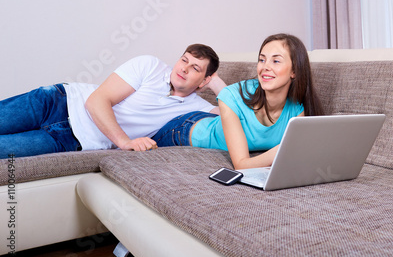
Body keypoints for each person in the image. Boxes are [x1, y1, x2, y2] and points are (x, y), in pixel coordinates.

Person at [0, 44, 226, 159]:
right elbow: (97, 101)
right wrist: (124, 142)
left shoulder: (198, 108)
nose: (184, 68)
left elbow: (237, 116)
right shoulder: (150, 66)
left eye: (195, 68)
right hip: (57, 102)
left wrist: (216, 84)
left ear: (203, 80)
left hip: (70, 139)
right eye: (184, 60)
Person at [152, 33, 324, 169]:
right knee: (142, 143)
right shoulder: (232, 96)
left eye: (276, 60)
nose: (265, 67)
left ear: (294, 70)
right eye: (262, 59)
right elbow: (242, 165)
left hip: (219, 122)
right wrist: (286, 149)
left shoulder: (298, 107)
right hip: (184, 129)